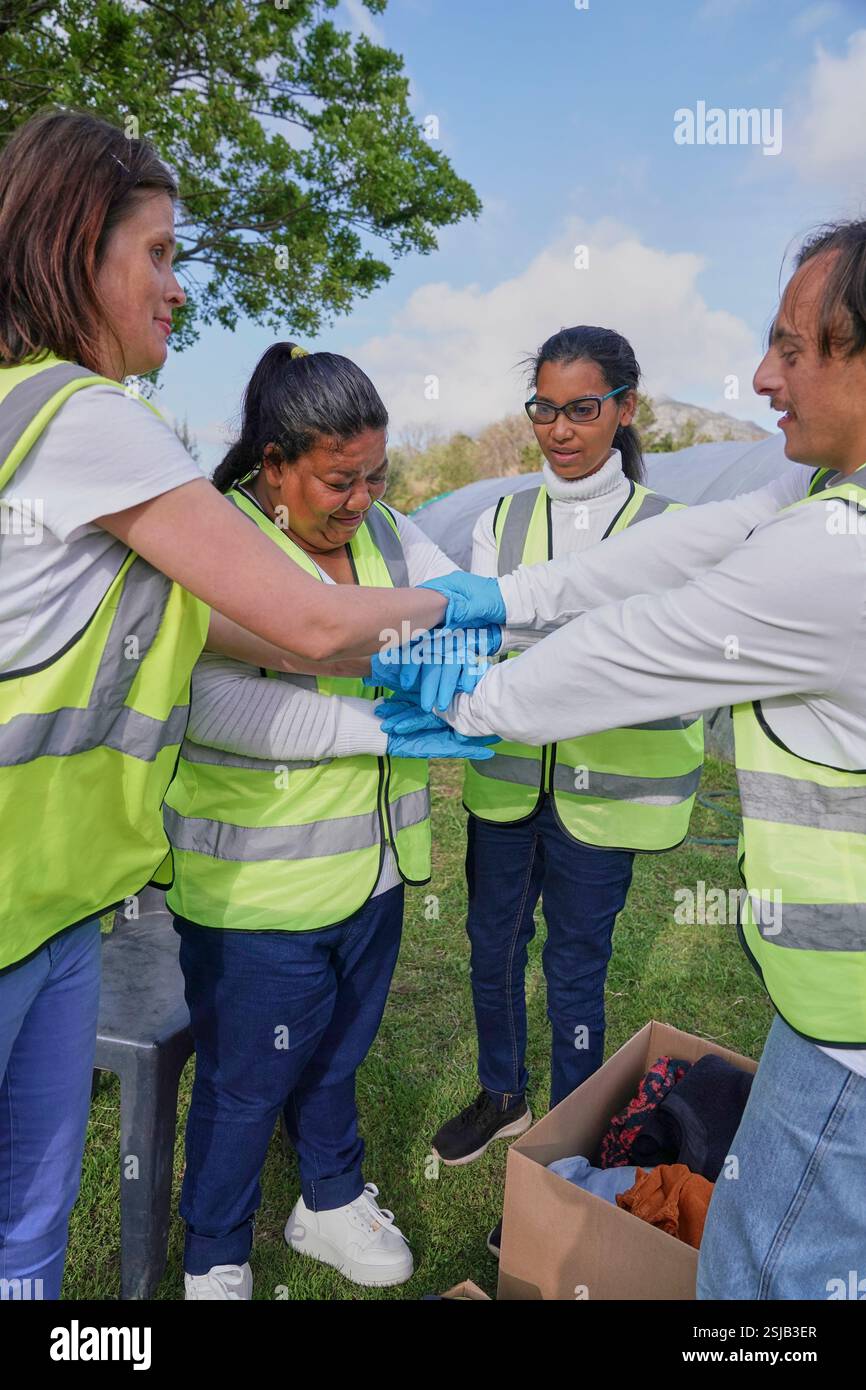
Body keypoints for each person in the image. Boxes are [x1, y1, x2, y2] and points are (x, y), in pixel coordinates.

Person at [0, 108, 449, 1301]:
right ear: (74, 245)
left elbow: (244, 627)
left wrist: (382, 658)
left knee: (28, 1230)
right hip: (52, 894)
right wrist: (471, 621)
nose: (179, 290)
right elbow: (299, 624)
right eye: (158, 254)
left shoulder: (45, 419)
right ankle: (212, 1258)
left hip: (54, 900)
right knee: (29, 1218)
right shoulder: (85, 417)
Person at [388, 220, 866, 1299]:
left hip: (851, 1034)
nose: (762, 374)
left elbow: (660, 634)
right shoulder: (810, 501)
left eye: (794, 348)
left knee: (766, 1277)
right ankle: (532, 1115)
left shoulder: (837, 550)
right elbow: (680, 550)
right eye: (543, 408)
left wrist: (479, 699)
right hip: (830, 1015)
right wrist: (503, 599)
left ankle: (574, 1142)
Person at [164, 344, 494, 1299]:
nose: (361, 500)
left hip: (373, 868)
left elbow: (458, 617)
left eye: (375, 476)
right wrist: (375, 728)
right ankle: (214, 1255)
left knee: (340, 1050)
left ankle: (330, 1198)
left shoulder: (388, 532)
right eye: (338, 480)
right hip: (257, 880)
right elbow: (207, 704)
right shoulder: (214, 540)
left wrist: (448, 649)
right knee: (244, 1082)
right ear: (273, 465)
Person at [428, 328, 703, 1192]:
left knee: (576, 964)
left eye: (582, 409)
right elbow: (485, 642)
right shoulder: (500, 519)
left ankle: (566, 1143)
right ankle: (502, 1093)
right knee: (490, 945)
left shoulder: (672, 530)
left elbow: (672, 668)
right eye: (543, 408)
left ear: (625, 409)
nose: (559, 429)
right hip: (506, 783)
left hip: (604, 798)